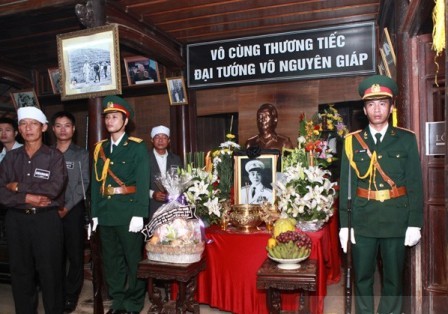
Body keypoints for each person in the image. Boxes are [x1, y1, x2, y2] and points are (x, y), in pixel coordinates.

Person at [339, 75, 423, 314]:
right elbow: (347, 186)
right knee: (362, 277)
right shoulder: (351, 142)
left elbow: (415, 184)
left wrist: (414, 223)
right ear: (364, 109)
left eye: (382, 103)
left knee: (394, 280)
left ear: (391, 106)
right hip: (362, 220)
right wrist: (345, 225)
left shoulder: (406, 139)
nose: (377, 109)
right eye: (371, 104)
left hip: (396, 219)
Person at [0, 107, 68, 314]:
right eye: (23, 124)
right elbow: (1, 191)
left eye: (33, 124)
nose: (28, 128)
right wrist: (27, 197)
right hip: (16, 221)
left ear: (44, 127)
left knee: (51, 273)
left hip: (46, 221)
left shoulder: (54, 156)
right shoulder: (10, 158)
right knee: (21, 273)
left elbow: (54, 188)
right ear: (19, 129)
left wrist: (19, 186)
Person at [90, 95, 150, 314]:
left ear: (125, 121)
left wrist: (139, 213)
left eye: (115, 117)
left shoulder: (137, 147)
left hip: (128, 213)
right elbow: (97, 183)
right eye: (107, 117)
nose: (109, 121)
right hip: (106, 213)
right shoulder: (100, 148)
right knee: (111, 261)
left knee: (133, 259)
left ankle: (134, 303)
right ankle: (118, 301)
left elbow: (143, 182)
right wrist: (94, 214)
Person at [51, 111, 89, 313]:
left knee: (75, 255)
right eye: (58, 125)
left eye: (67, 125)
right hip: (48, 211)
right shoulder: (46, 153)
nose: (63, 129)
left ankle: (71, 296)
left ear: (73, 129)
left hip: (72, 210)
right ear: (52, 129)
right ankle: (55, 292)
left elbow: (83, 185)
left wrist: (66, 208)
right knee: (53, 255)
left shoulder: (81, 154)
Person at [149, 125, 182, 219]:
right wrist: (152, 194)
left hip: (172, 206)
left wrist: (174, 193)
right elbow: (137, 183)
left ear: (169, 141)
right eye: (157, 137)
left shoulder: (176, 159)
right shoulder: (145, 158)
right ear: (152, 140)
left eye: (164, 137)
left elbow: (180, 181)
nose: (160, 140)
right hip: (151, 207)